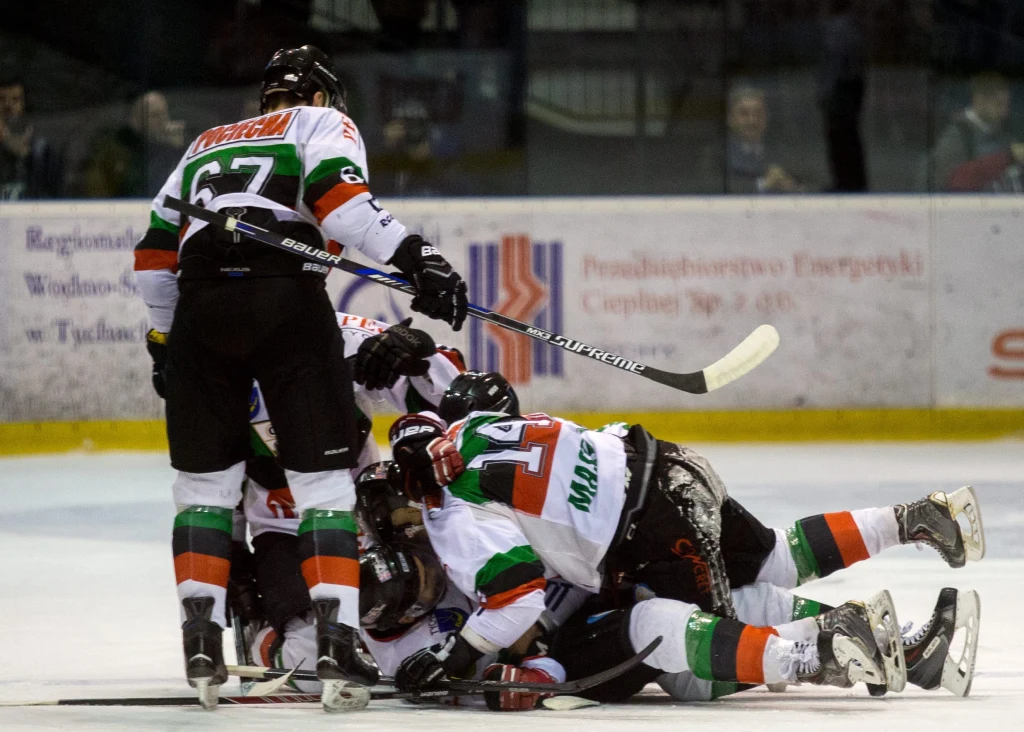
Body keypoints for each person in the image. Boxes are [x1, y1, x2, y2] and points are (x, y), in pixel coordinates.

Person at [132, 44, 468, 712]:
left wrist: (168, 344)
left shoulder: (204, 143)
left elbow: (152, 260)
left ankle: (202, 645)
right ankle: (339, 648)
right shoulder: (320, 123)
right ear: (319, 96)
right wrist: (421, 259)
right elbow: (342, 208)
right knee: (323, 491)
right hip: (286, 303)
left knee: (202, 492)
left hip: (199, 312)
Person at [385, 371, 985, 696]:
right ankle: (913, 524)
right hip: (670, 465)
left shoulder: (449, 510)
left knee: (698, 656)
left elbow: (517, 598)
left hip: (652, 527)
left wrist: (457, 656)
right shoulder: (476, 428)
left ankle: (831, 645)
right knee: (773, 558)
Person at [233, 313, 464, 679]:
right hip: (284, 531)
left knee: (417, 588)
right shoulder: (219, 357)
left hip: (368, 511)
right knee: (307, 661)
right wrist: (230, 552)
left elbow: (456, 397)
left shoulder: (336, 334)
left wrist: (420, 357)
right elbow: (211, 474)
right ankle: (267, 636)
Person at [921, 72, 1020, 191]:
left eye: (1006, 105)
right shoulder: (956, 136)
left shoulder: (1005, 135)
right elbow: (949, 182)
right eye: (999, 104)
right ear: (979, 100)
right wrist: (1008, 157)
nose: (1005, 112)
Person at [79, 91, 187, 198]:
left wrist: (177, 151)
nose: (162, 121)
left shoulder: (173, 146)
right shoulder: (117, 149)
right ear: (135, 120)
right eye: (155, 115)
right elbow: (140, 189)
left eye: (164, 114)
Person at [820, 0, 867, 192]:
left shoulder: (838, 27)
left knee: (840, 139)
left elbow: (835, 63)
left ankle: (845, 182)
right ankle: (853, 181)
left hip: (841, 91)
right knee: (849, 137)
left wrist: (826, 92)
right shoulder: (851, 25)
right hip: (850, 89)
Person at [726, 87, 804, 194]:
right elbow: (715, 189)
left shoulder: (785, 152)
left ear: (766, 118)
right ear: (731, 119)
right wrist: (764, 184)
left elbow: (814, 184)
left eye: (758, 113)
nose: (752, 121)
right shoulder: (718, 155)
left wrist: (791, 186)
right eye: (744, 114)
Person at [0, 77, 63, 200]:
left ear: (24, 104)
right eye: (1, 99)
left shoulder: (42, 148)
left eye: (15, 99)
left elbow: (52, 192)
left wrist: (27, 156)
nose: (8, 105)